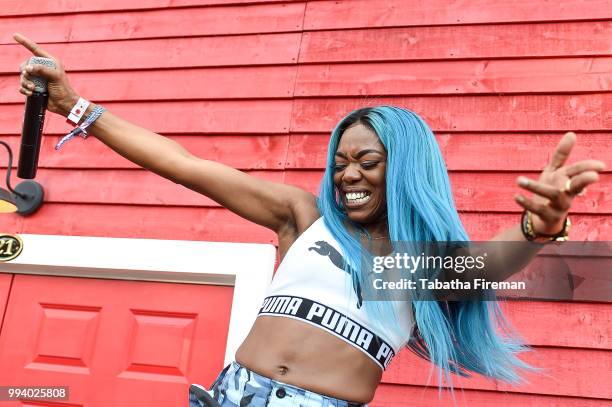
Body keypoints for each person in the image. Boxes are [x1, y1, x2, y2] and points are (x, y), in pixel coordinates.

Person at [14, 33, 605, 407]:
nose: (348, 174)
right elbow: (185, 165)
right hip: (232, 393)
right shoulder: (305, 216)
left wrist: (538, 227)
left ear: (402, 170)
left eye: (367, 162)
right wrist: (77, 106)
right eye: (339, 161)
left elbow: (485, 264)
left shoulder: (406, 264)